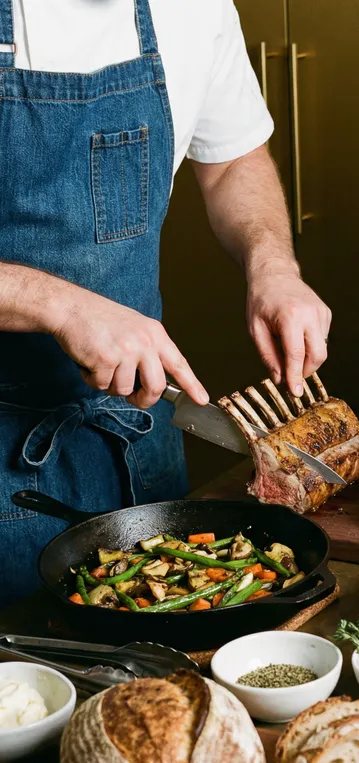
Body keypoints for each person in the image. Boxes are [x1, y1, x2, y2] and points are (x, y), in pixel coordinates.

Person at [0, 0, 330, 604]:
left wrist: (273, 265)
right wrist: (61, 306)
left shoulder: (195, 8)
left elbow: (232, 159)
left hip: (139, 427)